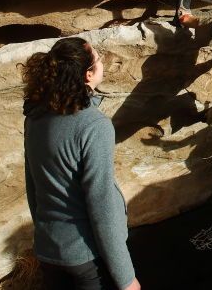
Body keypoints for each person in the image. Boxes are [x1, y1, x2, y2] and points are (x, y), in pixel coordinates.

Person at [21, 37, 140, 290]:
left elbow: (33, 187)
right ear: (88, 75)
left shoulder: (34, 117)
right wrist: (126, 279)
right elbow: (102, 203)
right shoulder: (94, 126)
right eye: (98, 59)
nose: (102, 63)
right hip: (85, 258)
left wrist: (45, 235)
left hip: (48, 249)